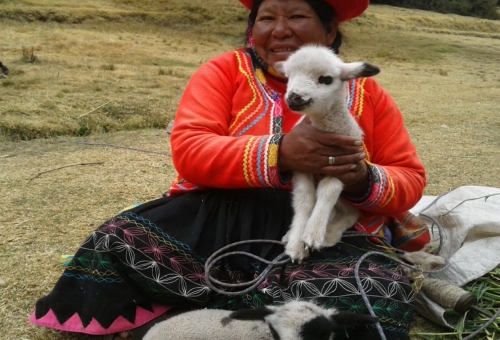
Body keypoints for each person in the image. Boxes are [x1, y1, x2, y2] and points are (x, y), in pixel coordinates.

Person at [30, 0, 431, 339]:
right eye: (267, 18)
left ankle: (209, 314)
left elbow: (409, 177)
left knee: (372, 292)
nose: (280, 30)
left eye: (296, 17)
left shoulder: (367, 93)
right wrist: (281, 153)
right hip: (220, 215)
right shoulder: (224, 73)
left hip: (322, 230)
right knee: (119, 243)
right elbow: (190, 149)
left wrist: (361, 177)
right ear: (252, 27)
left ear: (329, 31)